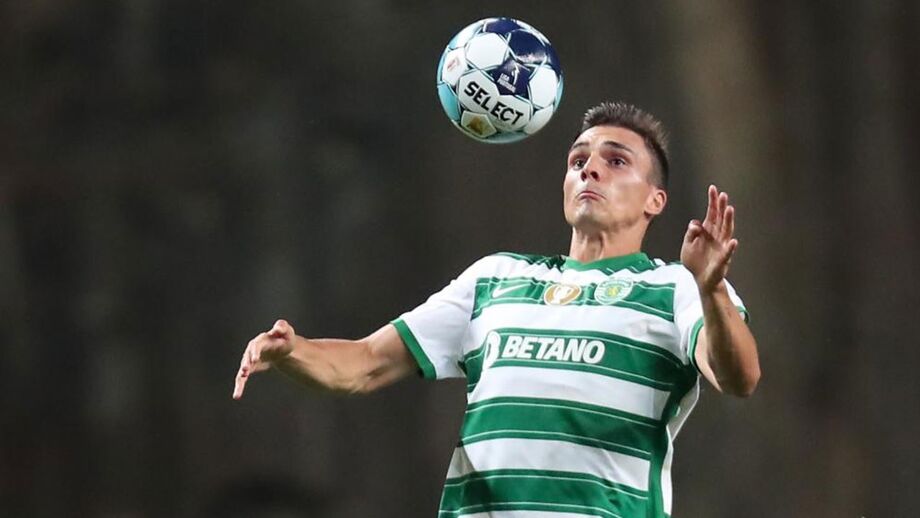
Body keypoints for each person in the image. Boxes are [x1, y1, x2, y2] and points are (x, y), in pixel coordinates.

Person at [232, 101, 761, 518]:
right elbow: (364, 363)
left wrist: (712, 289)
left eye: (616, 161)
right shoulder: (496, 278)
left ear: (654, 200)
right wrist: (292, 351)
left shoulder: (675, 287)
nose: (590, 171)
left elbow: (738, 377)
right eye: (578, 161)